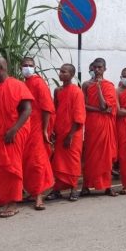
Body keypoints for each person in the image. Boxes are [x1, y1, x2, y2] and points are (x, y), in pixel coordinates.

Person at [0, 57, 33, 218]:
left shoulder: (17, 85)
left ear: (2, 68)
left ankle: (13, 203)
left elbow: (27, 110)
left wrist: (14, 130)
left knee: (11, 168)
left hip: (11, 134)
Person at [46, 64, 85, 202]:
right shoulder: (57, 91)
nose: (61, 74)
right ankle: (57, 189)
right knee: (58, 162)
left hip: (73, 133)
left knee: (73, 161)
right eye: (60, 71)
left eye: (64, 72)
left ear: (72, 75)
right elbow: (55, 110)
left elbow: (79, 115)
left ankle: (74, 189)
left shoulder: (77, 92)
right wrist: (53, 130)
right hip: (60, 131)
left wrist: (71, 135)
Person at [20, 57, 55, 210]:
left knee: (37, 161)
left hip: (37, 128)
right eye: (25, 65)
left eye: (30, 65)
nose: (27, 68)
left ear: (35, 67)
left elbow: (47, 108)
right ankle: (32, 191)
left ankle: (39, 196)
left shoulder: (38, 83)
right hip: (24, 127)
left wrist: (45, 130)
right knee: (26, 162)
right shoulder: (23, 83)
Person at [82, 58, 118, 196]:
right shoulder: (85, 85)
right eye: (95, 67)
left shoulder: (108, 85)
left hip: (105, 125)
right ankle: (86, 186)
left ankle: (107, 186)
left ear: (104, 69)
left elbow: (105, 106)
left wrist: (98, 88)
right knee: (91, 156)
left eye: (100, 67)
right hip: (92, 124)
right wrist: (98, 110)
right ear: (92, 68)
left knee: (106, 156)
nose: (97, 70)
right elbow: (84, 105)